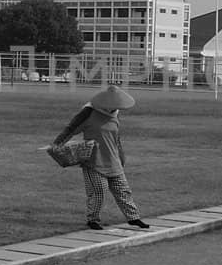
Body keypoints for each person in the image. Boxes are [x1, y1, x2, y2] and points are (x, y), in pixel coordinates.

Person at [52, 85, 150, 231]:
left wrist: (121, 157)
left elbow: (116, 138)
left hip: (113, 161)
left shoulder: (115, 114)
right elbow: (70, 129)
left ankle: (134, 218)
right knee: (98, 192)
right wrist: (56, 145)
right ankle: (93, 220)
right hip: (94, 161)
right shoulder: (88, 113)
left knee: (123, 191)